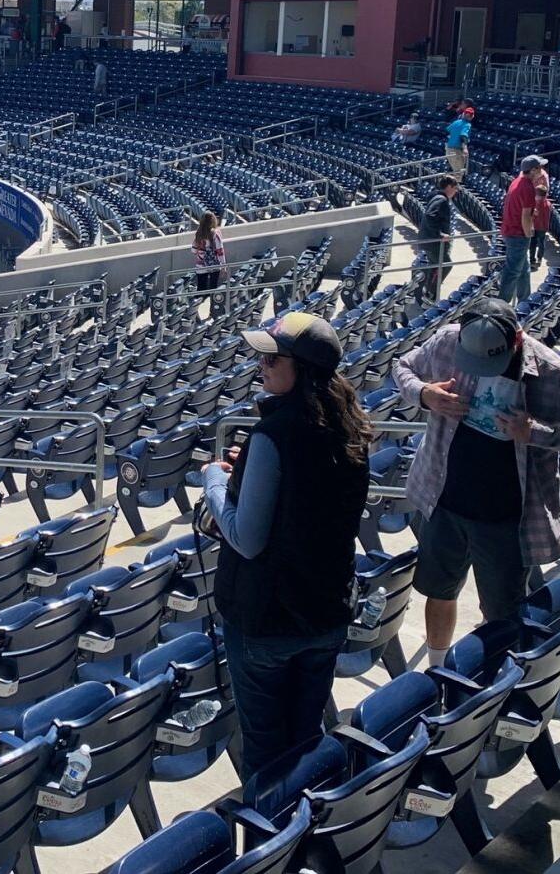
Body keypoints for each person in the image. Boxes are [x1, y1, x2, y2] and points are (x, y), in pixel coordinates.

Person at [395, 298, 560, 664]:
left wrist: (538, 433)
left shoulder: (552, 373)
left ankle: (486, 681)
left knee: (501, 613)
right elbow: (403, 367)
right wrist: (424, 394)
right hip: (442, 500)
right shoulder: (448, 341)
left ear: (516, 340)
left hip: (505, 519)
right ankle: (439, 671)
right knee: (438, 591)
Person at [202, 312, 370, 781]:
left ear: (302, 369)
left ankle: (268, 847)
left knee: (265, 753)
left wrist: (215, 481)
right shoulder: (350, 425)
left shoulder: (272, 436)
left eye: (273, 358)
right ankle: (303, 833)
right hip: (326, 612)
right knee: (304, 738)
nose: (262, 364)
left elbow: (246, 539)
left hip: (268, 621)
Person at [499, 154, 546, 304]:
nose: (542, 171)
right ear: (532, 170)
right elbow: (525, 215)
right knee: (512, 271)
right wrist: (528, 234)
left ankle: (525, 301)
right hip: (517, 234)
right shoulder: (527, 187)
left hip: (511, 230)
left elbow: (524, 210)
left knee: (524, 270)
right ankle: (502, 304)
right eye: (539, 168)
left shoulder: (517, 182)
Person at [418, 175, 459, 301]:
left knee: (435, 266)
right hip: (433, 241)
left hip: (429, 240)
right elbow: (430, 216)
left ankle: (429, 294)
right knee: (445, 265)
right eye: (454, 187)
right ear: (448, 187)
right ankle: (430, 292)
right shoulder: (441, 200)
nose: (456, 190)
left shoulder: (438, 197)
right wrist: (440, 235)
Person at [191, 211, 227, 317]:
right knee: (213, 289)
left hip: (200, 265)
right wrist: (223, 266)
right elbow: (220, 250)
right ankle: (213, 312)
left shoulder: (198, 233)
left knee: (200, 290)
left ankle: (192, 312)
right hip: (213, 266)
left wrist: (202, 252)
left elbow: (193, 250)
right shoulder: (215, 233)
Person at [445, 106, 474, 179]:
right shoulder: (467, 124)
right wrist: (465, 148)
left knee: (456, 171)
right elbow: (463, 136)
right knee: (458, 173)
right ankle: (455, 189)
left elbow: (448, 129)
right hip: (456, 151)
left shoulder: (456, 122)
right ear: (472, 116)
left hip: (448, 149)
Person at [530, 178, 552, 272]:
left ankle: (532, 259)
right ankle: (539, 259)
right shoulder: (548, 203)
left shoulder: (537, 204)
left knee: (533, 243)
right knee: (540, 243)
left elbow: (534, 214)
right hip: (543, 227)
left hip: (536, 226)